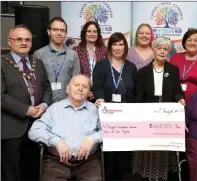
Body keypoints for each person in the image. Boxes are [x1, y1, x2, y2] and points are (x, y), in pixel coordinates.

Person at [1, 24, 52, 181]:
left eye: (27, 40)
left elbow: (47, 89)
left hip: (37, 124)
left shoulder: (37, 63)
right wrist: (26, 110)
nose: (24, 43)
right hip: (12, 127)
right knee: (12, 172)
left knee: (34, 168)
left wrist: (43, 105)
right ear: (10, 41)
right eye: (19, 39)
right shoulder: (2, 63)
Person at [28, 75, 103, 181]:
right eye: (76, 85)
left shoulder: (95, 110)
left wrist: (92, 139)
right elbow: (34, 131)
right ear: (68, 88)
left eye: (85, 86)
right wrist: (57, 141)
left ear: (89, 92)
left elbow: (108, 130)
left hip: (88, 162)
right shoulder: (54, 109)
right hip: (56, 162)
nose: (80, 88)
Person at [133, 36, 185, 181]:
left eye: (165, 49)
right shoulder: (142, 72)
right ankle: (147, 176)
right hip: (147, 116)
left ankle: (161, 176)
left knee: (162, 149)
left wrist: (180, 99)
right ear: (153, 50)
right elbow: (138, 98)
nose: (162, 51)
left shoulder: (173, 70)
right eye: (159, 48)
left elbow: (177, 91)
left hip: (165, 117)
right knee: (149, 149)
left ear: (168, 51)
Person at [93, 32, 137, 180]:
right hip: (107, 116)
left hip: (127, 116)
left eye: (121, 44)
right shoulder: (101, 66)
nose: (118, 48)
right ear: (110, 47)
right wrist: (99, 98)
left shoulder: (131, 67)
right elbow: (97, 87)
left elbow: (134, 90)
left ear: (125, 47)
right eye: (115, 44)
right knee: (109, 154)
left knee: (123, 154)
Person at [34, 17, 81, 103]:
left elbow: (76, 81)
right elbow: (36, 83)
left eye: (62, 30)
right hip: (45, 105)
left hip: (67, 104)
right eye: (55, 30)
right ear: (49, 32)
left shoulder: (73, 54)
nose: (59, 33)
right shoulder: (39, 54)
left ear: (66, 33)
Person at [170, 28, 197, 104]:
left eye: (196, 40)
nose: (192, 43)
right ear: (184, 43)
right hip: (174, 102)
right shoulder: (175, 58)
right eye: (189, 40)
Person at [73, 21, 108, 102]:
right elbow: (74, 74)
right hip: (80, 92)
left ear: (98, 34)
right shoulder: (76, 50)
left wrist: (97, 92)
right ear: (84, 33)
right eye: (89, 31)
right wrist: (85, 90)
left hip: (100, 94)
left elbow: (107, 73)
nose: (92, 34)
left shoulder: (105, 51)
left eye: (95, 31)